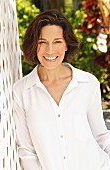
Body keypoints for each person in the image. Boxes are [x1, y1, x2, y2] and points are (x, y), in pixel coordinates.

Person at [13, 9, 110, 170]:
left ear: (66, 44)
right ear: (33, 44)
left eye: (57, 41)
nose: (50, 50)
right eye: (42, 42)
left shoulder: (88, 83)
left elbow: (101, 135)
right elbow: (27, 151)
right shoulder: (22, 91)